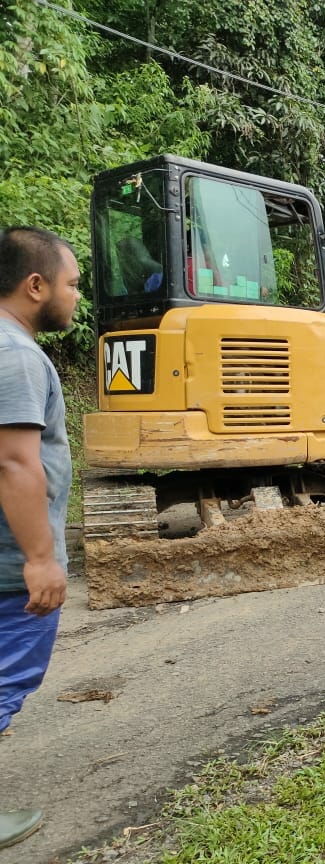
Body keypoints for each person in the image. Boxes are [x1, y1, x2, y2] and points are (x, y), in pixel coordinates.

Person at [0, 227, 81, 850]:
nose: (76, 297)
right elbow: (16, 464)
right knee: (5, 680)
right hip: (9, 564)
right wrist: (40, 559)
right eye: (71, 283)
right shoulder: (18, 356)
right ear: (36, 285)